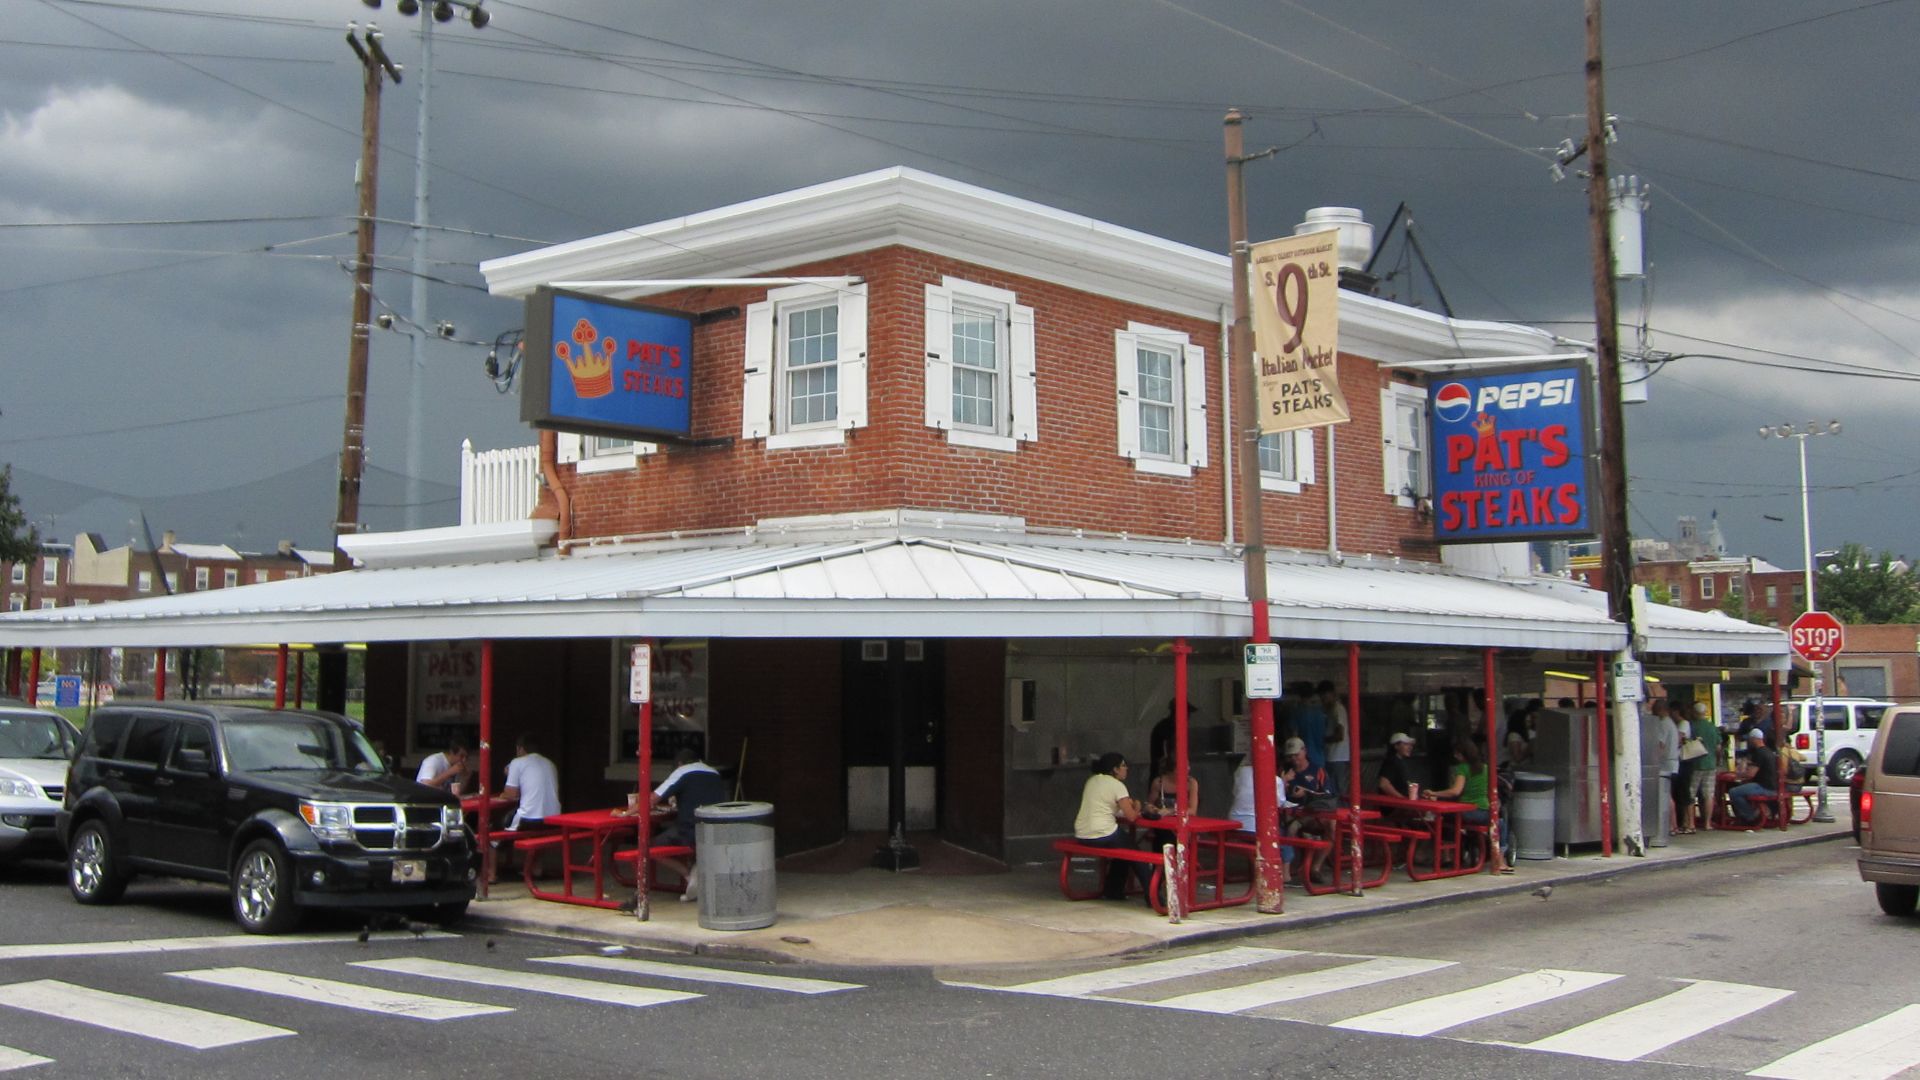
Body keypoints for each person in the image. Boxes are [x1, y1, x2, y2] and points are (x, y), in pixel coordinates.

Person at [1073, 752, 1152, 903]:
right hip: (1103, 833)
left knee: (1123, 851)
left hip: (1082, 833)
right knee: (1135, 853)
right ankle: (1152, 895)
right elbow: (1131, 817)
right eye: (1123, 765)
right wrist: (1138, 805)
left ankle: (1113, 889)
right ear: (1115, 769)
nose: (1126, 769)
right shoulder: (1117, 785)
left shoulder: (1092, 780)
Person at [651, 747, 727, 902]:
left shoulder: (682, 771)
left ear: (680, 763)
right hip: (715, 829)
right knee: (694, 846)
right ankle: (696, 877)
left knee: (651, 847)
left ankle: (688, 874)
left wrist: (628, 812)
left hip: (690, 830)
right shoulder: (714, 773)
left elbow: (652, 799)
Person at [1429, 739, 1513, 871]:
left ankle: (1447, 856)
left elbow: (1455, 791)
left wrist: (1434, 793)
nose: (1455, 756)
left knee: (1442, 819)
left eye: (1457, 754)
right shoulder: (1485, 768)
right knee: (1500, 823)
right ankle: (1500, 859)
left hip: (1467, 811)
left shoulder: (1462, 768)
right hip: (1484, 811)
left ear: (1463, 754)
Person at [494, 734, 562, 881]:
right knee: (537, 832)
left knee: (492, 831)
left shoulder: (517, 762)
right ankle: (536, 868)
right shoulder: (550, 763)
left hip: (529, 818)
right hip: (553, 819)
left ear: (520, 748)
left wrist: (504, 789)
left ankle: (490, 874)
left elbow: (510, 794)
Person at [1727, 728, 1779, 826]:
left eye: (1750, 739)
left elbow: (1751, 774)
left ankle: (1750, 815)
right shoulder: (1768, 751)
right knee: (1741, 789)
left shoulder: (1759, 753)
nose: (1749, 741)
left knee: (1734, 792)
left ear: (1754, 739)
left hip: (1763, 787)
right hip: (1771, 786)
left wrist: (1738, 774)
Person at [1684, 701, 1719, 831]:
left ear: (1694, 712)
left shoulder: (1692, 726)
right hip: (1711, 764)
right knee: (1709, 794)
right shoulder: (1712, 727)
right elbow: (1718, 746)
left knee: (1691, 793)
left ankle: (1691, 823)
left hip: (1695, 763)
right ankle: (1707, 823)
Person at [1318, 680, 1350, 795]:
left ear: (1332, 694)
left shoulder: (1338, 709)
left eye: (1325, 697)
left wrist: (1323, 740)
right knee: (1331, 788)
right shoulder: (1328, 710)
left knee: (1339, 789)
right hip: (1331, 756)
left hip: (1339, 756)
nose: (1323, 700)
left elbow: (1340, 734)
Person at [1289, 683, 1328, 771]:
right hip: (1320, 756)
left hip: (1303, 757)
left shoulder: (1297, 712)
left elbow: (1294, 734)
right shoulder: (1320, 713)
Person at [1376, 732, 1418, 799]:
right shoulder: (1391, 761)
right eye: (1406, 744)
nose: (1410, 747)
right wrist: (1402, 799)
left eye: (1411, 745)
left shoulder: (1401, 762)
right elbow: (1384, 784)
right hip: (1394, 806)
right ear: (1396, 746)